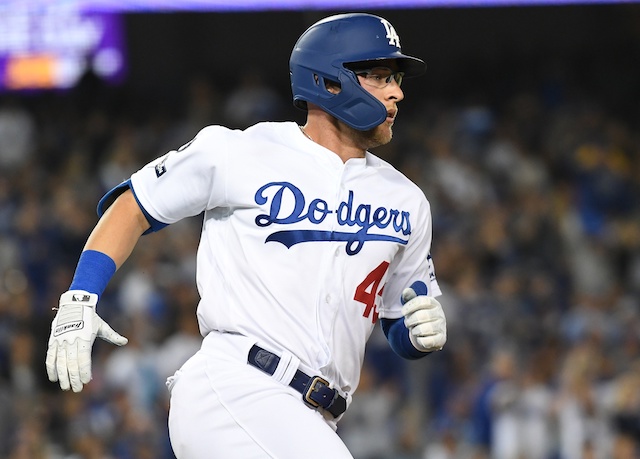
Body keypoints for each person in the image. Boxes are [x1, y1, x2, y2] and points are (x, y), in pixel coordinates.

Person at [45, 12, 447, 459]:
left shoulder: (406, 200)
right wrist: (80, 296)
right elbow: (134, 205)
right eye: (379, 76)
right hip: (237, 386)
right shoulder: (241, 151)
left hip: (315, 416)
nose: (397, 91)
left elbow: (398, 319)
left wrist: (417, 335)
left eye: (396, 78)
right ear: (330, 81)